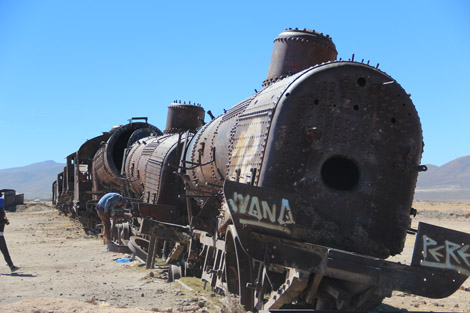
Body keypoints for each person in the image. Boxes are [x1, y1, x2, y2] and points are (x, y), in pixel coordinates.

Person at [0, 195, 20, 272]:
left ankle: (11, 266)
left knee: (5, 251)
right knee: (5, 251)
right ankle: (11, 266)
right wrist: (5, 221)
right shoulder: (0, 211)